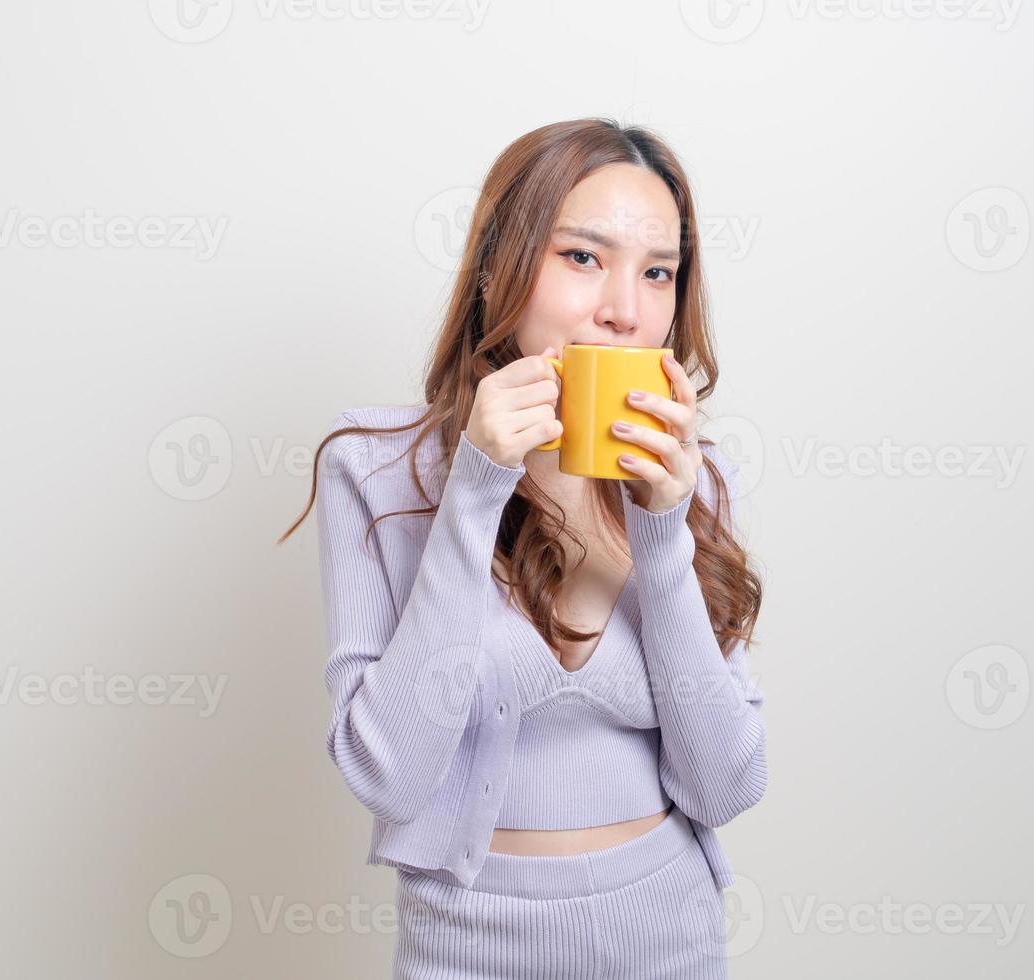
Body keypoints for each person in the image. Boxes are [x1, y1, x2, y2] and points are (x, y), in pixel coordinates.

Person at [281, 117, 767, 979]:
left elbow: (726, 785)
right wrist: (473, 493)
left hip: (670, 934)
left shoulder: (692, 484)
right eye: (582, 257)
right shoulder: (376, 467)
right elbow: (387, 777)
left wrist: (661, 534)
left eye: (657, 273)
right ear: (502, 267)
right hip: (467, 946)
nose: (623, 309)